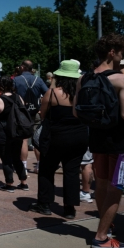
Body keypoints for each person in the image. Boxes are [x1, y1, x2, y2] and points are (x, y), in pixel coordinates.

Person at [74, 33, 124, 248]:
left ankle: (105, 225)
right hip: (120, 141)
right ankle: (102, 237)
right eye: (121, 53)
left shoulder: (84, 78)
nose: (122, 57)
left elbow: (76, 111)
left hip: (97, 138)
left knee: (101, 184)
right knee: (116, 188)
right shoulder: (122, 79)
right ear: (112, 52)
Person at [31, 60, 88, 218]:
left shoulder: (54, 93)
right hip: (79, 136)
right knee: (71, 171)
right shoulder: (83, 93)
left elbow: (42, 114)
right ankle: (70, 208)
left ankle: (44, 204)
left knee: (47, 170)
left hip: (55, 137)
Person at [0, 76, 29, 192]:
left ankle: (9, 183)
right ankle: (23, 182)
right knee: (17, 157)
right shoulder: (19, 98)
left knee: (6, 158)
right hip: (17, 132)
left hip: (3, 132)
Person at [14, 60, 48, 172]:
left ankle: (23, 165)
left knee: (23, 139)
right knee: (37, 138)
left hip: (21, 112)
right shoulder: (38, 80)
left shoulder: (16, 80)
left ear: (23, 67)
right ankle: (39, 164)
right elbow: (47, 93)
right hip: (35, 111)